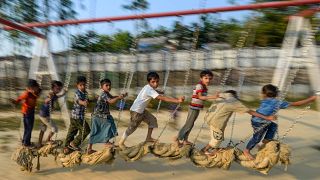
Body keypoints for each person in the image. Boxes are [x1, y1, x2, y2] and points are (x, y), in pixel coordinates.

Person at [243, 84, 317, 160]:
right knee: (257, 138)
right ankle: (246, 151)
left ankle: (266, 140)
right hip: (259, 122)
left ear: (264, 94)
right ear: (276, 94)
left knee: (273, 125)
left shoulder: (265, 100)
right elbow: (297, 104)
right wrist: (311, 99)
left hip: (257, 119)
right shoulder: (277, 103)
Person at [118, 71, 185, 148]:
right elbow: (162, 98)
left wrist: (159, 91)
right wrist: (177, 101)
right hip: (136, 111)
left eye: (157, 82)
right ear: (149, 82)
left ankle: (148, 138)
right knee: (132, 128)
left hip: (141, 111)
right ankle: (121, 142)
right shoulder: (149, 90)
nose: (155, 84)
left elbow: (154, 91)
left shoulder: (147, 87)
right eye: (153, 82)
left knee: (152, 120)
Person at [201, 90, 276, 156]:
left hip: (209, 117)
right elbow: (250, 112)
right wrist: (267, 117)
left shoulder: (222, 95)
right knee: (216, 140)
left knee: (218, 135)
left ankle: (215, 148)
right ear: (235, 96)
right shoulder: (234, 102)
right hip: (216, 122)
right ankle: (205, 150)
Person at [175, 70, 219, 146]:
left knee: (191, 124)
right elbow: (200, 97)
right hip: (193, 108)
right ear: (201, 78)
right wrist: (213, 97)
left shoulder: (204, 87)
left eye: (210, 79)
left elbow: (202, 98)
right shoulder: (199, 86)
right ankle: (177, 138)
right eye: (206, 78)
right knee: (188, 124)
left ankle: (185, 140)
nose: (208, 80)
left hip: (197, 108)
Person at [87, 78, 126, 154]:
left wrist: (120, 96)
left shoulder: (107, 93)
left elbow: (112, 97)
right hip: (98, 115)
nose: (109, 87)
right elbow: (110, 101)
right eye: (106, 85)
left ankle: (90, 148)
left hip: (101, 115)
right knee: (107, 126)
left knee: (97, 130)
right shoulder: (104, 94)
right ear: (102, 87)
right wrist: (118, 98)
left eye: (110, 85)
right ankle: (105, 143)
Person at [11, 79, 41, 148]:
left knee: (28, 128)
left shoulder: (35, 93)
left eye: (35, 88)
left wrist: (36, 90)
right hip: (27, 113)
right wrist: (15, 102)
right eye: (32, 88)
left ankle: (25, 141)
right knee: (29, 128)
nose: (34, 89)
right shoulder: (27, 93)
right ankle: (26, 143)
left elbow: (39, 91)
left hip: (31, 112)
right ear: (29, 88)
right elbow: (20, 98)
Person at [64, 76, 90, 153]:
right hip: (77, 116)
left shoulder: (85, 93)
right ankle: (74, 144)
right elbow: (78, 101)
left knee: (72, 131)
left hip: (77, 116)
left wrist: (89, 101)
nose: (83, 87)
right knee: (86, 130)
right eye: (81, 85)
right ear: (77, 85)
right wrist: (83, 103)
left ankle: (66, 147)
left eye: (84, 85)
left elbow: (86, 100)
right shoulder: (77, 93)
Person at [38, 80, 66, 146]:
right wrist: (49, 99)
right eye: (57, 89)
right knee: (54, 128)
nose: (59, 90)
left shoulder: (55, 94)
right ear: (53, 88)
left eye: (60, 89)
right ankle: (48, 140)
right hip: (45, 115)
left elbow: (58, 96)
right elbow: (46, 100)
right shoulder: (50, 94)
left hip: (42, 114)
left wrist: (63, 93)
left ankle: (39, 143)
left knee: (43, 129)